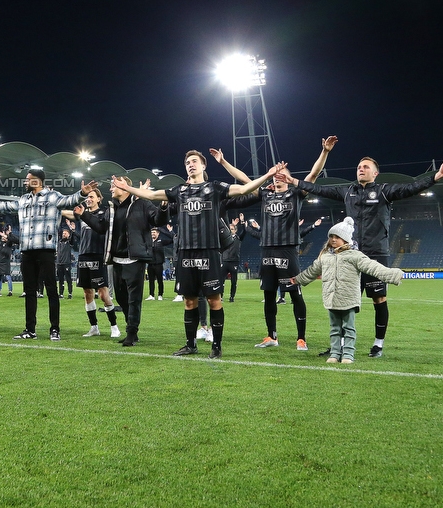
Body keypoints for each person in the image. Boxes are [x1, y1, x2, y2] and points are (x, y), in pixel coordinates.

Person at [280, 156, 443, 357]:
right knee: (343, 301)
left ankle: (378, 344)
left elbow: (410, 188)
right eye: (358, 167)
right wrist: (294, 181)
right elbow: (320, 189)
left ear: (375, 173)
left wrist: (435, 177)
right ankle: (337, 345)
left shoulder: (383, 191)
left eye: (366, 167)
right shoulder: (348, 191)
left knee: (379, 299)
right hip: (349, 254)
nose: (360, 169)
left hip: (376, 253)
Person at [115, 152, 285, 358]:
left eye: (194, 161)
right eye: (187, 162)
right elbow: (152, 196)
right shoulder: (180, 191)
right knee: (189, 301)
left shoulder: (214, 188)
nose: (190, 165)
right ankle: (191, 345)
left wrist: (268, 175)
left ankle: (216, 346)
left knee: (214, 300)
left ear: (204, 166)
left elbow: (244, 189)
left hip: (209, 252)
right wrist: (127, 188)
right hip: (185, 254)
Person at [210, 137, 336, 352]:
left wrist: (324, 152)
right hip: (267, 249)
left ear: (287, 177)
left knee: (295, 294)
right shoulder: (266, 193)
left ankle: (301, 338)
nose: (277, 178)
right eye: (275, 175)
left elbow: (313, 175)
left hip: (287, 250)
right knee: (268, 295)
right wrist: (223, 162)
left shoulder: (296, 193)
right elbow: (244, 180)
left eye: (281, 175)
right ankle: (272, 335)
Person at [0, 169, 98, 341]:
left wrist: (82, 193)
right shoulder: (23, 200)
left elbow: (69, 200)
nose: (25, 182)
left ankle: (54, 329)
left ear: (38, 181)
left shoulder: (52, 196)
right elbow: (1, 206)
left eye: (28, 180)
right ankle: (30, 329)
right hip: (27, 251)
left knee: (51, 290)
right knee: (29, 291)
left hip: (46, 250)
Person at [292, 218, 404, 363]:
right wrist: (298, 279)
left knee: (349, 329)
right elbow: (313, 271)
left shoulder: (355, 256)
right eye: (331, 236)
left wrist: (393, 274)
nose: (333, 239)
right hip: (331, 298)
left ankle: (348, 354)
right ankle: (334, 353)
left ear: (345, 239)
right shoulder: (325, 256)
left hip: (348, 299)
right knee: (334, 329)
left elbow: (373, 267)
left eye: (337, 237)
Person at [77, 177, 168, 346]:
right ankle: (130, 327)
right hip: (117, 259)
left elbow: (158, 220)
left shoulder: (142, 204)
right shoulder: (112, 208)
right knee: (120, 297)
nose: (111, 189)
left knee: (134, 299)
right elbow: (100, 227)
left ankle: (132, 333)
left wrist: (163, 206)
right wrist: (84, 215)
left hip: (135, 258)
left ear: (125, 187)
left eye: (114, 186)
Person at [62, 187, 121, 338]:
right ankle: (94, 327)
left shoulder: (103, 214)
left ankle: (114, 326)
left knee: (103, 294)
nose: (89, 199)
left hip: (98, 256)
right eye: (88, 197)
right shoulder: (82, 215)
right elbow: (69, 213)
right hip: (83, 256)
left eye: (92, 197)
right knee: (88, 293)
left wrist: (84, 214)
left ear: (99, 199)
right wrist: (56, 209)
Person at [146, 226, 173, 300]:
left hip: (159, 264)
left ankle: (160, 295)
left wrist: (170, 232)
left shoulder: (161, 241)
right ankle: (151, 295)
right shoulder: (149, 241)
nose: (152, 234)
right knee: (151, 281)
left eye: (154, 232)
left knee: (159, 280)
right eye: (151, 233)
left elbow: (172, 239)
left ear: (158, 233)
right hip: (150, 264)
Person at [0, 227, 18, 296]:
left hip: (5, 262)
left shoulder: (9, 243)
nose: (3, 238)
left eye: (4, 237)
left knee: (8, 277)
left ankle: (10, 291)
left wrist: (9, 233)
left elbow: (13, 239)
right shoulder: (0, 243)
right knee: (0, 277)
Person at [55, 227, 75, 299]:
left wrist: (72, 231)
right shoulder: (59, 242)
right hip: (59, 263)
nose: (64, 234)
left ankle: (70, 293)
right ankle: (61, 294)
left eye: (65, 233)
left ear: (68, 235)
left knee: (68, 279)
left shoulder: (69, 242)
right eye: (63, 233)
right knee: (60, 280)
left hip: (66, 263)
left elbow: (72, 239)